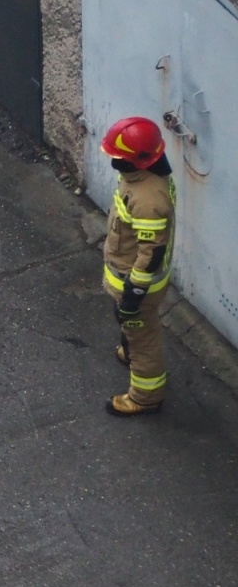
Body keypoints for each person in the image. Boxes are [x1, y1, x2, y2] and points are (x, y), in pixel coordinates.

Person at [99, 116, 177, 417]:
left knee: (142, 337)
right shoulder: (143, 178)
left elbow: (151, 252)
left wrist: (134, 293)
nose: (115, 162)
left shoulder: (148, 199)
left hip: (137, 285)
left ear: (139, 162)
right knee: (133, 332)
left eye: (120, 158)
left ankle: (146, 396)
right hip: (127, 276)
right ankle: (131, 350)